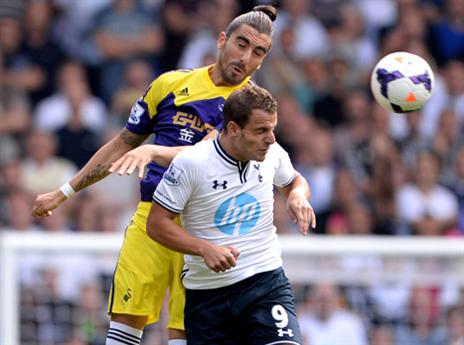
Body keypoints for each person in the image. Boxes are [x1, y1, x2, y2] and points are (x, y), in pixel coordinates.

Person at [32, 4, 278, 344]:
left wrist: (153, 151)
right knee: (123, 326)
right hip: (152, 217)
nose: (246, 57)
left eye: (258, 53)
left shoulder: (249, 107)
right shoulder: (170, 84)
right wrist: (64, 192)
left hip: (203, 228)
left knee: (184, 333)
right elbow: (122, 144)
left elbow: (207, 155)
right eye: (241, 44)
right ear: (222, 39)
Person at [147, 85, 316, 344]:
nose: (271, 139)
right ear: (234, 128)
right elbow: (157, 224)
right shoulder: (192, 163)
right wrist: (204, 249)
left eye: (272, 129)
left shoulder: (272, 153)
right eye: (261, 131)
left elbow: (294, 181)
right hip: (207, 298)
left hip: (265, 284)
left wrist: (297, 195)